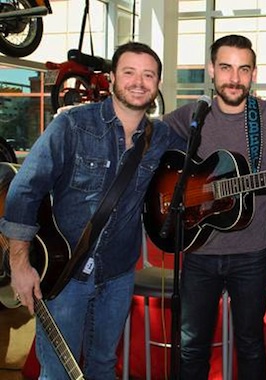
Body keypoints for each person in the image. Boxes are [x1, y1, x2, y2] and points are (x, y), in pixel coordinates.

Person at [1, 42, 187, 379]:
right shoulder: (72, 125)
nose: (139, 82)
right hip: (65, 274)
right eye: (129, 72)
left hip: (118, 274)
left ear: (158, 84)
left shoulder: (161, 137)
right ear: (113, 77)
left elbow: (195, 165)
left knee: (102, 366)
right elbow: (25, 190)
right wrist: (19, 264)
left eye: (149, 75)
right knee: (58, 372)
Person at [162, 34, 266, 379]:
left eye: (243, 69)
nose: (234, 78)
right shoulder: (192, 116)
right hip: (198, 252)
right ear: (211, 70)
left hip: (252, 253)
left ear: (254, 73)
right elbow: (152, 150)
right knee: (192, 345)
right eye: (226, 67)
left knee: (251, 343)